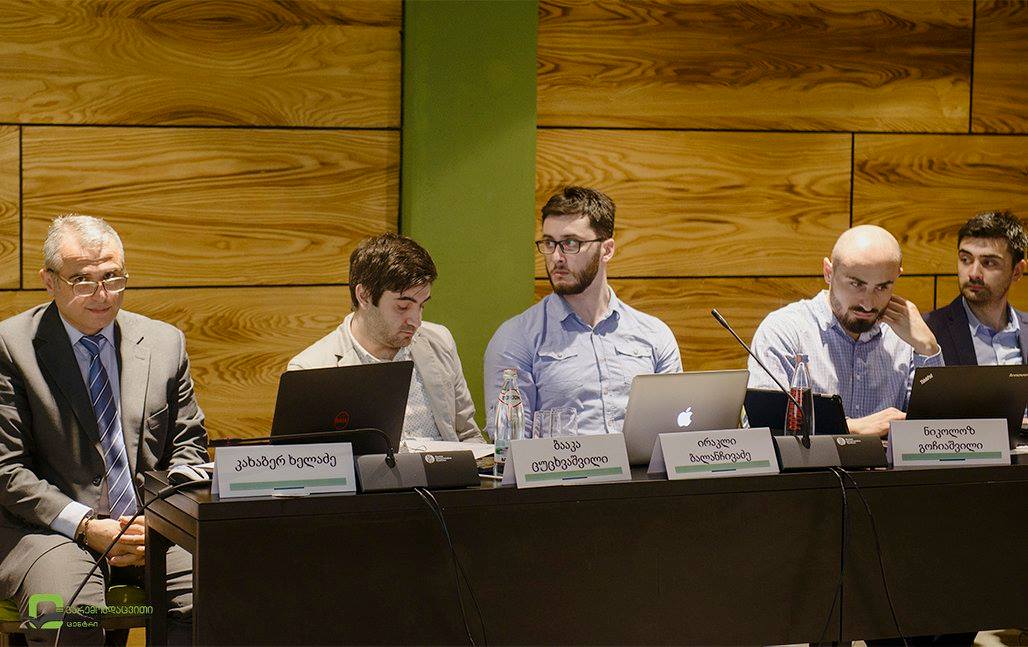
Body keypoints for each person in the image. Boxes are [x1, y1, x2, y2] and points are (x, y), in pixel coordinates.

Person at [0, 214, 207, 645]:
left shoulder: (164, 343)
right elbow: (7, 469)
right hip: (47, 531)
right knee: (63, 616)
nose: (102, 294)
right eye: (82, 280)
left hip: (152, 530)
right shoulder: (11, 346)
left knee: (222, 599)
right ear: (49, 281)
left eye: (112, 277)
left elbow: (188, 447)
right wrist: (86, 525)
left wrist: (157, 519)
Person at [484, 186, 681, 438]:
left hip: (639, 465)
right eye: (549, 243)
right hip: (561, 463)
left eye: (570, 243)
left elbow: (672, 434)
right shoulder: (516, 338)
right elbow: (511, 445)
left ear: (606, 250)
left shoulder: (654, 334)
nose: (556, 257)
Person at [748, 225, 942, 436]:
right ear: (828, 273)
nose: (868, 304)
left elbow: (936, 434)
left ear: (897, 276)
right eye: (856, 284)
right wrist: (850, 429)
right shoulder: (785, 331)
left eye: (882, 287)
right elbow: (764, 430)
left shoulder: (904, 336)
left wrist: (928, 348)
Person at [288, 233, 481, 445]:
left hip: (447, 465)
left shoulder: (439, 341)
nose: (416, 321)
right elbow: (312, 460)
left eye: (422, 305)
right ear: (364, 296)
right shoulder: (311, 369)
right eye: (403, 307)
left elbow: (468, 436)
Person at [925, 210, 1027, 366]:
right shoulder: (929, 331)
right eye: (965, 259)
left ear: (1017, 271)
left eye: (989, 263)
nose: (973, 274)